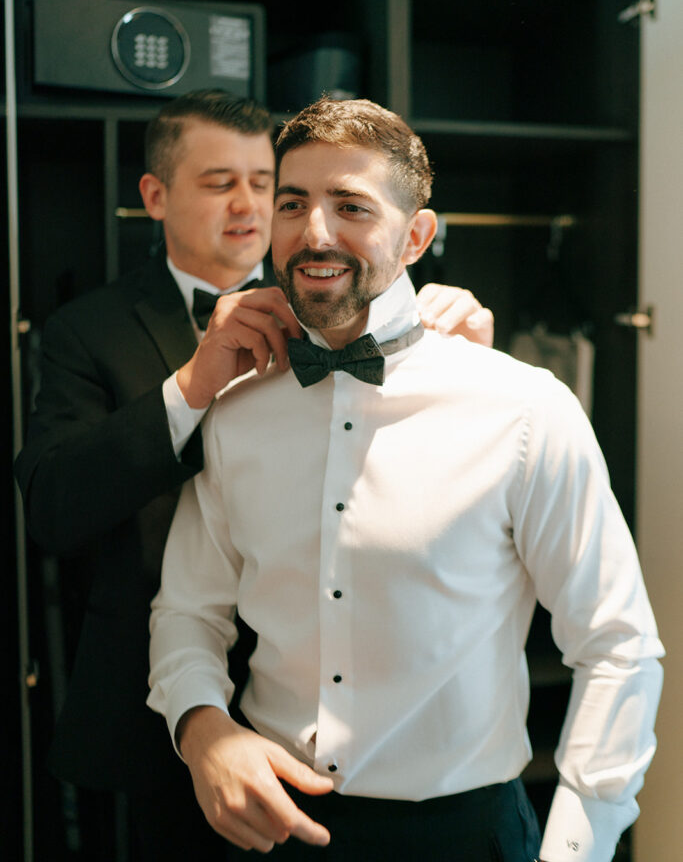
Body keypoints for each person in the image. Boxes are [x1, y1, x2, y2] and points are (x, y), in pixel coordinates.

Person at [148, 96, 664, 862]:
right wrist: (201, 730)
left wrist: (576, 847)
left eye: (350, 205)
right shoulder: (234, 409)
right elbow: (187, 609)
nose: (314, 232)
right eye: (293, 203)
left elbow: (618, 645)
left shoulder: (523, 409)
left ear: (416, 234)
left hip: (463, 835)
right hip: (267, 828)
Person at [15, 89, 494, 861]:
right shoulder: (85, 330)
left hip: (337, 732)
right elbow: (54, 508)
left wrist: (446, 368)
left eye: (265, 184)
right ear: (154, 195)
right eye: (217, 183)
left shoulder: (375, 307)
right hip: (157, 723)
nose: (248, 205)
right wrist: (191, 388)